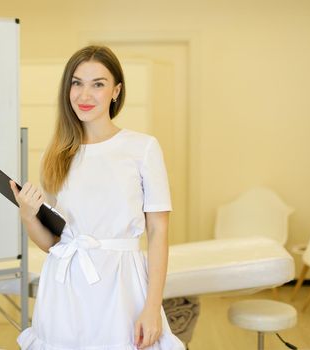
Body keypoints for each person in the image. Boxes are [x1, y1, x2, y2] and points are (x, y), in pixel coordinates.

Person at [10, 45, 184, 349]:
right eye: (76, 83)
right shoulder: (56, 155)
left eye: (98, 84)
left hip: (121, 288)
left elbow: (158, 231)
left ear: (116, 91)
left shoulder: (142, 148)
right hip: (64, 289)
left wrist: (152, 306)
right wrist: (27, 213)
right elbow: (54, 243)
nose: (84, 95)